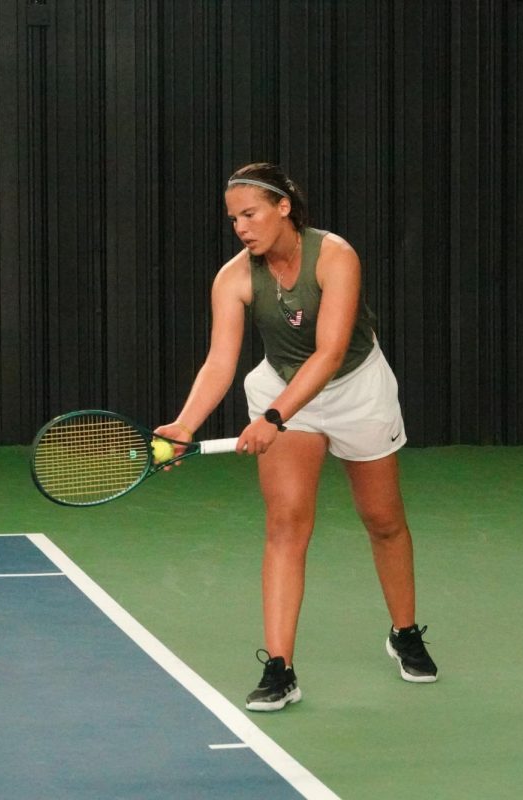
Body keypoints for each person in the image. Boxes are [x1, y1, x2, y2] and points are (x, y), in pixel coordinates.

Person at [155, 162, 438, 712]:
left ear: (284, 207)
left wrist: (274, 419)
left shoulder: (335, 256)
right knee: (286, 525)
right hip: (282, 390)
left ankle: (404, 631)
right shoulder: (233, 277)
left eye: (250, 213)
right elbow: (220, 360)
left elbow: (331, 353)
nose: (240, 226)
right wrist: (186, 423)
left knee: (383, 519)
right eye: (234, 217)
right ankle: (280, 668)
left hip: (356, 389)